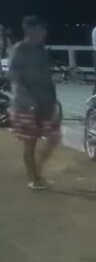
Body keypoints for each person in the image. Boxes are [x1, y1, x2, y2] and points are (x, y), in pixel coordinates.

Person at [8, 16, 60, 190]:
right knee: (30, 142)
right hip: (25, 104)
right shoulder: (19, 49)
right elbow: (15, 78)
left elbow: (46, 76)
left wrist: (52, 99)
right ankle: (34, 178)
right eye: (41, 29)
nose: (44, 33)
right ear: (30, 30)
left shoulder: (41, 50)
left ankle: (36, 170)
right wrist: (26, 100)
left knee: (54, 137)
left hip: (44, 100)